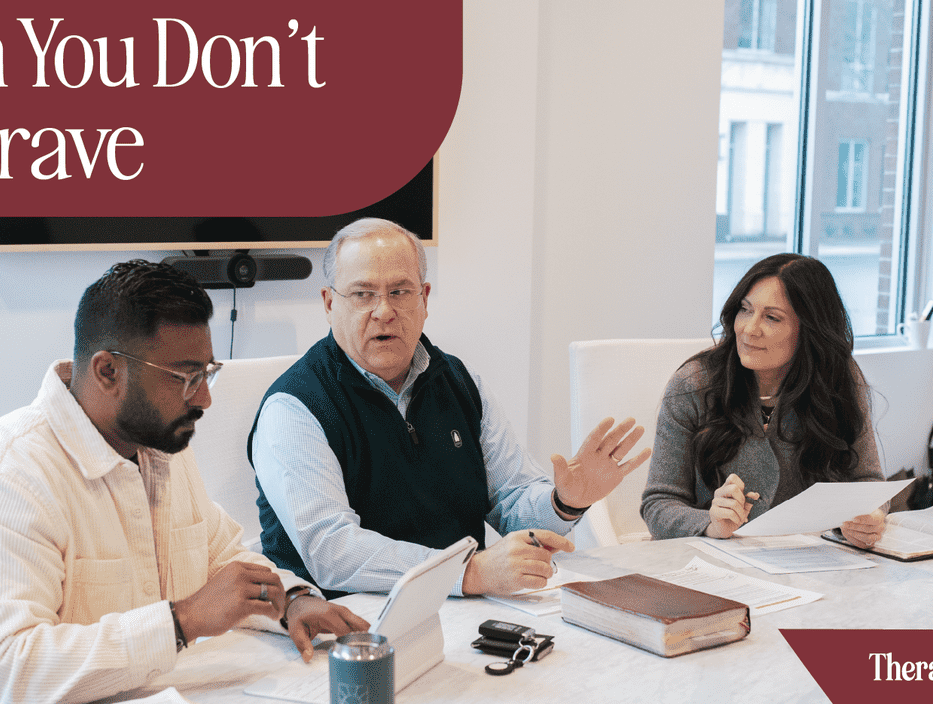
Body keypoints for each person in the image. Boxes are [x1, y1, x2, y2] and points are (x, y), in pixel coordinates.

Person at [0, 260, 368, 704]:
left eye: (207, 373)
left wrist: (291, 602)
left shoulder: (158, 446)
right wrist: (181, 621)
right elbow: (3, 676)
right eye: (185, 377)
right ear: (108, 371)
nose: (204, 399)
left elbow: (220, 558)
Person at [249, 218, 650, 598]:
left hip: (462, 609)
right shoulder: (293, 407)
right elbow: (332, 552)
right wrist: (466, 572)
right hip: (344, 623)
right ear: (328, 304)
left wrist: (564, 502)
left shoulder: (460, 381)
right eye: (362, 294)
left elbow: (512, 503)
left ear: (424, 299)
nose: (384, 310)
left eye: (400, 292)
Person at [640, 253, 887, 546]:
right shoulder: (695, 383)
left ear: (810, 328)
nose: (749, 329)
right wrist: (710, 524)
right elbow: (658, 503)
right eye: (745, 310)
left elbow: (869, 484)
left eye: (771, 317)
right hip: (713, 557)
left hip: (810, 557)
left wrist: (869, 517)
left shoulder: (838, 378)